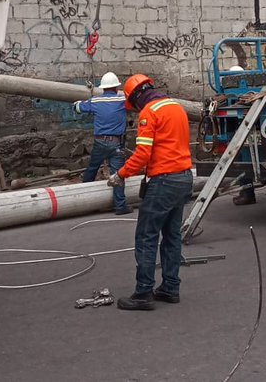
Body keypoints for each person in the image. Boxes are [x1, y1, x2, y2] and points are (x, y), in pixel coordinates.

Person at [107, 74, 193, 310]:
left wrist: (120, 175)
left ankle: (143, 292)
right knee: (172, 236)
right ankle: (170, 287)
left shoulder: (150, 112)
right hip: (184, 177)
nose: (134, 110)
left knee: (146, 236)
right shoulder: (176, 106)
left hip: (163, 180)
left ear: (135, 97)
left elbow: (143, 154)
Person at [73, 71, 131, 215]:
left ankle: (85, 202)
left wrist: (77, 104)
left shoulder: (95, 101)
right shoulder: (123, 100)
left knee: (92, 169)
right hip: (117, 143)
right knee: (118, 175)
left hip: (100, 143)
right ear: (116, 88)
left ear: (103, 88)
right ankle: (120, 207)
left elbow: (78, 108)